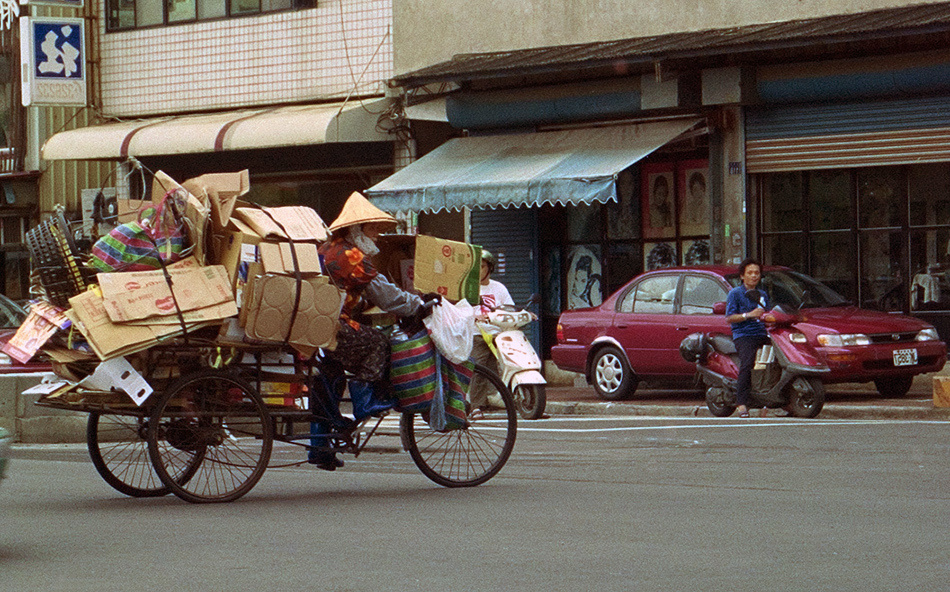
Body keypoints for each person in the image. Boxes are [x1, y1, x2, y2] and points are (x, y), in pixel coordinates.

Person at [310, 191, 437, 470]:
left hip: (316, 322)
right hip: (333, 324)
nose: (378, 235)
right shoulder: (351, 255)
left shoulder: (328, 248)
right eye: (373, 229)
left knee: (328, 379)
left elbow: (355, 291)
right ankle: (364, 399)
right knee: (379, 341)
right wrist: (416, 304)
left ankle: (319, 446)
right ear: (356, 230)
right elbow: (384, 293)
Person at [469, 250, 514, 417]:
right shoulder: (469, 288)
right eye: (476, 267)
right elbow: (461, 309)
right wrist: (475, 316)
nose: (478, 271)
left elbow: (509, 307)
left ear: (489, 268)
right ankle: (476, 406)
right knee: (478, 368)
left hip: (498, 333)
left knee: (508, 363)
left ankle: (513, 398)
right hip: (478, 333)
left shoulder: (499, 288)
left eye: (481, 267)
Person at [725, 258, 771, 418]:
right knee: (747, 363)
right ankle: (742, 403)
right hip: (744, 335)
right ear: (742, 276)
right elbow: (729, 317)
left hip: (762, 333)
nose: (754, 276)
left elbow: (769, 313)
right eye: (750, 273)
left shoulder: (763, 294)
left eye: (756, 273)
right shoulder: (735, 294)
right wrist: (748, 315)